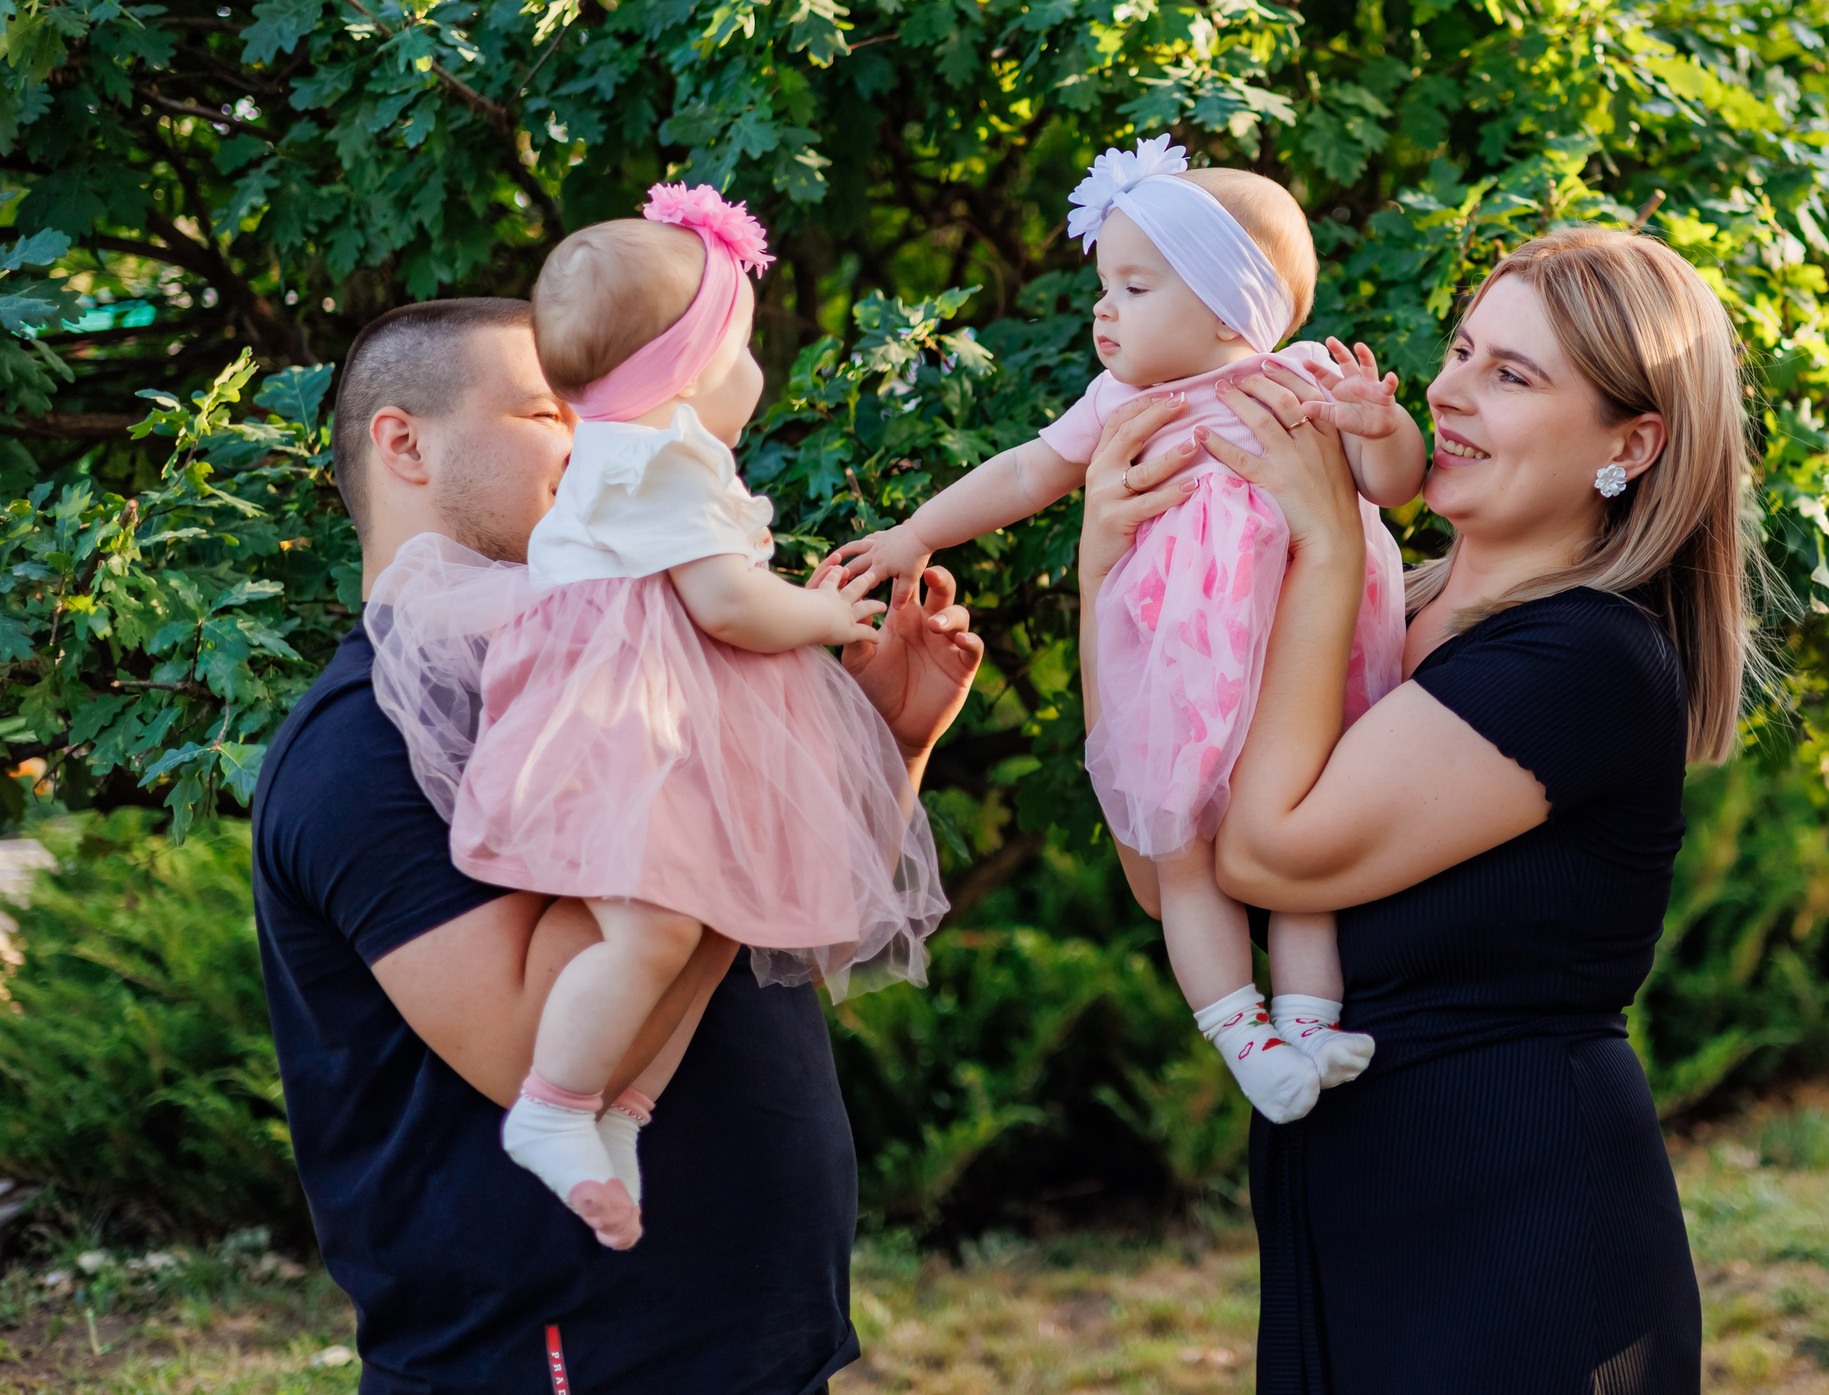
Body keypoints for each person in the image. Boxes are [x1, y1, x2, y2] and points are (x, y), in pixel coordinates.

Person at [251, 294, 983, 1394]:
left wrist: (888, 745)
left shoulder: (632, 665)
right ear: (404, 442)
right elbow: (542, 1052)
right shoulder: (363, 744)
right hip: (560, 1355)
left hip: (760, 1334)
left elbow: (788, 922)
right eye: (552, 412)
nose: (602, 440)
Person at [1081, 228, 1754, 1393]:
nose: (1445, 392)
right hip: (1350, 1211)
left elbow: (1269, 854)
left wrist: (1326, 541)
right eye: (1459, 350)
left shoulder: (1584, 658)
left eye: (1513, 375)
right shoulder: (1401, 613)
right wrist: (1104, 572)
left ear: (1629, 444)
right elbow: (1167, 858)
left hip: (1515, 1232)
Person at [363, 185, 944, 1250]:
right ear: (689, 372)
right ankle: (557, 1108)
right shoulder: (663, 456)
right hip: (620, 723)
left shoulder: (641, 464)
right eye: (539, 413)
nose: (568, 432)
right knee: (655, 927)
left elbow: (776, 903)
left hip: (770, 1308)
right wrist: (821, 613)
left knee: (692, 918)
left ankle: (619, 1112)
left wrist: (896, 735)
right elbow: (728, 602)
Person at [839, 135, 1423, 1124]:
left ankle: (1314, 1026)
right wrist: (914, 532)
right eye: (1104, 286)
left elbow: (1395, 487)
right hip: (1185, 677)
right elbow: (1027, 473)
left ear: (1229, 304)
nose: (1104, 311)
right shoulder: (1120, 404)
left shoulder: (1309, 379)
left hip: (1303, 669)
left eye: (1136, 287)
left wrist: (1378, 425)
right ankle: (1243, 1034)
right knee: (1185, 852)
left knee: (1303, 851)